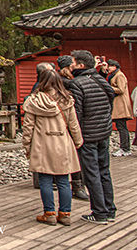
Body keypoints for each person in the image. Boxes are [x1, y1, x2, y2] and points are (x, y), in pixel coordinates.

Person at [23, 67, 84, 226]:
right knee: (64, 180)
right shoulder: (66, 99)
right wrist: (78, 141)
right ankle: (65, 213)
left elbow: (28, 126)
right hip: (62, 141)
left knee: (45, 180)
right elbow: (73, 124)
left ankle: (49, 213)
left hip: (42, 142)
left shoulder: (35, 101)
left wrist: (27, 145)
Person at [68, 49, 117, 224]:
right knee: (104, 170)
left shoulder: (77, 84)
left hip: (88, 134)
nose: (71, 65)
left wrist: (76, 135)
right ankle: (110, 209)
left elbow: (77, 113)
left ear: (80, 65)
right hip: (103, 131)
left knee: (91, 173)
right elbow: (111, 97)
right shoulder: (99, 79)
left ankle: (99, 212)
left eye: (73, 62)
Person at [56, 54, 88, 201]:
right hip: (69, 121)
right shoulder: (68, 83)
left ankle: (73, 183)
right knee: (75, 155)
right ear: (69, 66)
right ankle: (77, 185)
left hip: (63, 123)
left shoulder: (63, 81)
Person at [106, 60, 133, 157]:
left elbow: (121, 89)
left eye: (110, 66)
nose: (108, 68)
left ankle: (125, 148)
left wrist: (109, 87)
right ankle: (125, 148)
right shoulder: (114, 75)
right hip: (117, 104)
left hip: (120, 104)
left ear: (115, 66)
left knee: (122, 127)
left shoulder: (119, 75)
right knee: (121, 126)